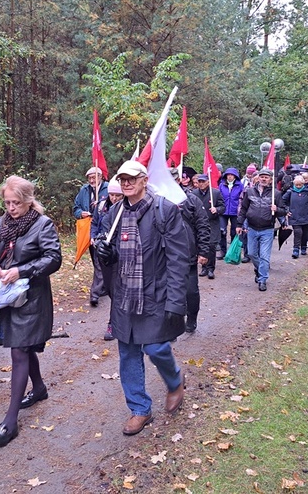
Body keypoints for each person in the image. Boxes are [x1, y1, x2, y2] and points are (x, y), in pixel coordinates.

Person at [95, 160, 189, 436]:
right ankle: (139, 409)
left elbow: (178, 258)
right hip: (125, 295)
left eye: (131, 179)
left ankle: (175, 381)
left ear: (144, 180)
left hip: (156, 293)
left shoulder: (164, 210)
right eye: (122, 179)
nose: (126, 184)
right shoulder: (114, 213)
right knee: (128, 353)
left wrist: (175, 301)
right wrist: (106, 254)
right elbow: (111, 256)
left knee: (156, 348)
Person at [0, 176, 62, 448]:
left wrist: (21, 270)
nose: (11, 207)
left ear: (28, 201)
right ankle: (38, 389)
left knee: (19, 350)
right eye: (7, 202)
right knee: (21, 346)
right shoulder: (2, 223)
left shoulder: (42, 224)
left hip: (32, 298)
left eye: (16, 203)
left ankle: (10, 421)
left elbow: (53, 258)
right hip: (6, 296)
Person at [170, 167, 211, 333]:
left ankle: (192, 316)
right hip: (164, 253)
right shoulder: (155, 200)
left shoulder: (191, 200)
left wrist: (203, 251)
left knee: (190, 290)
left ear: (178, 180)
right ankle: (171, 323)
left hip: (188, 252)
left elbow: (203, 226)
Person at [236, 169, 286, 292]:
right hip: (252, 228)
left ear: (270, 180)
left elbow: (284, 210)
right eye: (262, 177)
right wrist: (239, 224)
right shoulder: (249, 192)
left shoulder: (276, 194)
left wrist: (277, 209)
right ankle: (259, 270)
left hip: (267, 229)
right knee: (252, 254)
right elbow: (243, 209)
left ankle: (262, 279)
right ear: (258, 178)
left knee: (264, 256)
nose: (264, 179)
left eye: (266, 177)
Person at [91, 178, 124, 340]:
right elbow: (99, 226)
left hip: (124, 255)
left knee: (119, 291)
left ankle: (113, 324)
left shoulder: (128, 209)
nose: (114, 198)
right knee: (112, 290)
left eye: (117, 195)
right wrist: (97, 239)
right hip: (108, 256)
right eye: (111, 194)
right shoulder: (103, 206)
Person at [73, 167, 109, 306]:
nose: (92, 180)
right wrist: (80, 213)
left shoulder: (108, 188)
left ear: (100, 176)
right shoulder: (84, 190)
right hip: (89, 229)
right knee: (95, 258)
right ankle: (103, 285)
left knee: (102, 258)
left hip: (104, 228)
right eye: (90, 178)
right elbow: (75, 208)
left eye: (94, 177)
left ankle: (98, 290)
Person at [192, 174, 224, 279]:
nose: (201, 184)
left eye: (203, 181)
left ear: (208, 182)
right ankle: (204, 267)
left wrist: (217, 209)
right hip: (199, 223)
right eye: (199, 181)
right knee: (201, 244)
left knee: (211, 246)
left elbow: (223, 206)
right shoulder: (194, 193)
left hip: (212, 223)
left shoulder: (215, 193)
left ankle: (211, 268)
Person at [281, 175, 308, 259]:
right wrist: (286, 210)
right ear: (294, 184)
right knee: (298, 232)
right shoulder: (290, 192)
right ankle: (296, 249)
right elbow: (282, 201)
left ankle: (303, 247)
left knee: (305, 233)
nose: (298, 186)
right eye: (296, 185)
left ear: (303, 184)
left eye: (300, 185)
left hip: (307, 216)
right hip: (294, 216)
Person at [218, 168, 243, 258]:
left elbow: (242, 198)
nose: (230, 176)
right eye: (228, 175)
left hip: (235, 212)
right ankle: (222, 251)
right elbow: (218, 197)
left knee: (234, 232)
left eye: (231, 175)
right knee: (222, 231)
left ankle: (233, 252)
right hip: (223, 211)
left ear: (235, 176)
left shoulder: (240, 186)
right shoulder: (221, 185)